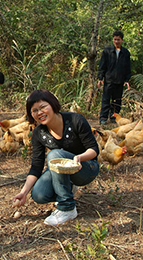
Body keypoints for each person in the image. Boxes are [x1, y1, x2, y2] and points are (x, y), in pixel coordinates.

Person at [13, 89, 99, 226]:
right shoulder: (38, 133)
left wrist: (79, 158)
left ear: (52, 104)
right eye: (34, 110)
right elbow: (36, 166)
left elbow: (94, 150)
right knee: (39, 194)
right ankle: (67, 189)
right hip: (61, 169)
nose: (39, 113)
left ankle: (67, 207)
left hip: (86, 167)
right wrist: (23, 192)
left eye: (43, 107)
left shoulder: (75, 120)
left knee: (54, 154)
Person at [98, 30, 131, 125]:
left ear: (122, 40)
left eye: (118, 39)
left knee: (117, 101)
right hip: (109, 80)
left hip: (120, 81)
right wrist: (100, 78)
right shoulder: (107, 51)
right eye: (115, 39)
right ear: (113, 40)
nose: (116, 41)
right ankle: (103, 118)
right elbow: (102, 66)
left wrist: (126, 80)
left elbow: (127, 67)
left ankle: (114, 117)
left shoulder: (126, 53)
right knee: (106, 100)